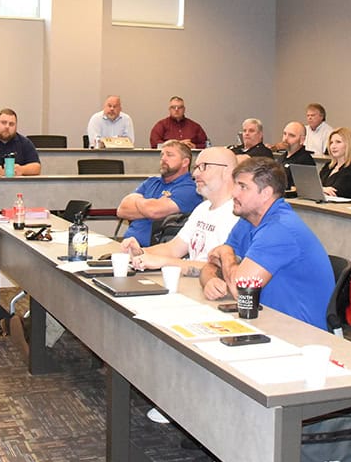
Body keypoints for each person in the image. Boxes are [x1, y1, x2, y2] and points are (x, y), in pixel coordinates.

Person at [199, 157, 334, 330]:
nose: (234, 193)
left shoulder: (280, 229)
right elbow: (211, 265)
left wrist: (225, 252)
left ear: (266, 193)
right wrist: (210, 280)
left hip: (297, 333)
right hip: (264, 320)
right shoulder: (248, 220)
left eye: (243, 187)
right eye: (236, 185)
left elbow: (241, 291)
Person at [121, 146, 240, 276]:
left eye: (204, 167)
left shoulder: (238, 215)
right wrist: (140, 252)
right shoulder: (202, 208)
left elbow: (222, 269)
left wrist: (165, 262)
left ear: (226, 171)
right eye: (196, 167)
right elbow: (173, 248)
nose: (195, 174)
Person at [117, 140, 203, 246]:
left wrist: (136, 200)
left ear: (185, 162)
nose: (163, 159)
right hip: (127, 246)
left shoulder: (190, 189)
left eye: (169, 155)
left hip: (156, 250)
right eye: (162, 155)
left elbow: (154, 212)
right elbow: (121, 211)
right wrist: (150, 206)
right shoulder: (151, 182)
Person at [319, 127, 351, 198]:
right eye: (331, 143)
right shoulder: (328, 166)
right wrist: (323, 189)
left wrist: (321, 189)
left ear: (348, 145)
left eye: (338, 142)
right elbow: (314, 186)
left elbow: (336, 192)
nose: (333, 146)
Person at [276, 121, 315, 189]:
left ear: (302, 140)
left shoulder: (305, 161)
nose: (285, 138)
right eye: (284, 134)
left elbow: (301, 189)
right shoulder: (281, 158)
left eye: (291, 135)